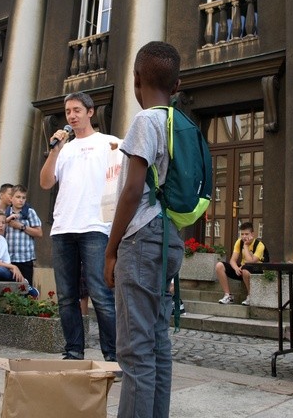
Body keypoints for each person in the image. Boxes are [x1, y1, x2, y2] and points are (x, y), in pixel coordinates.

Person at [103, 41, 185, 417]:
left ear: (136, 79)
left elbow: (132, 190)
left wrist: (110, 248)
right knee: (156, 342)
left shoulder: (146, 121)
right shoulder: (180, 124)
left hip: (141, 239)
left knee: (134, 349)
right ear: (177, 84)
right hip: (169, 238)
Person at [40, 92, 118, 362]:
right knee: (66, 296)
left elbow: (123, 181)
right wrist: (54, 151)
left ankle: (113, 355)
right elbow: (46, 183)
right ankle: (73, 351)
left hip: (95, 227)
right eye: (67, 111)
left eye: (76, 110)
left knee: (101, 294)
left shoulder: (109, 143)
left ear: (90, 112)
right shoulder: (64, 148)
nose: (71, 116)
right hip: (63, 228)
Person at [215, 222, 269, 305]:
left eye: (246, 234)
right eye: (242, 234)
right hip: (242, 269)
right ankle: (228, 296)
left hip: (257, 269)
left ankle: (251, 296)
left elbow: (251, 262)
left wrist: (246, 246)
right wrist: (236, 268)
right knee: (219, 265)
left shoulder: (259, 245)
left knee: (245, 269)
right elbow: (232, 260)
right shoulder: (239, 242)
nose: (244, 236)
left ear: (252, 234)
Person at [4, 185, 42, 286]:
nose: (21, 200)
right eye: (18, 197)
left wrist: (21, 226)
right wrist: (6, 221)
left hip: (25, 258)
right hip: (9, 258)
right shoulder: (6, 213)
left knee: (25, 288)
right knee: (8, 289)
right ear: (11, 198)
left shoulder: (29, 212)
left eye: (23, 197)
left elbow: (39, 233)